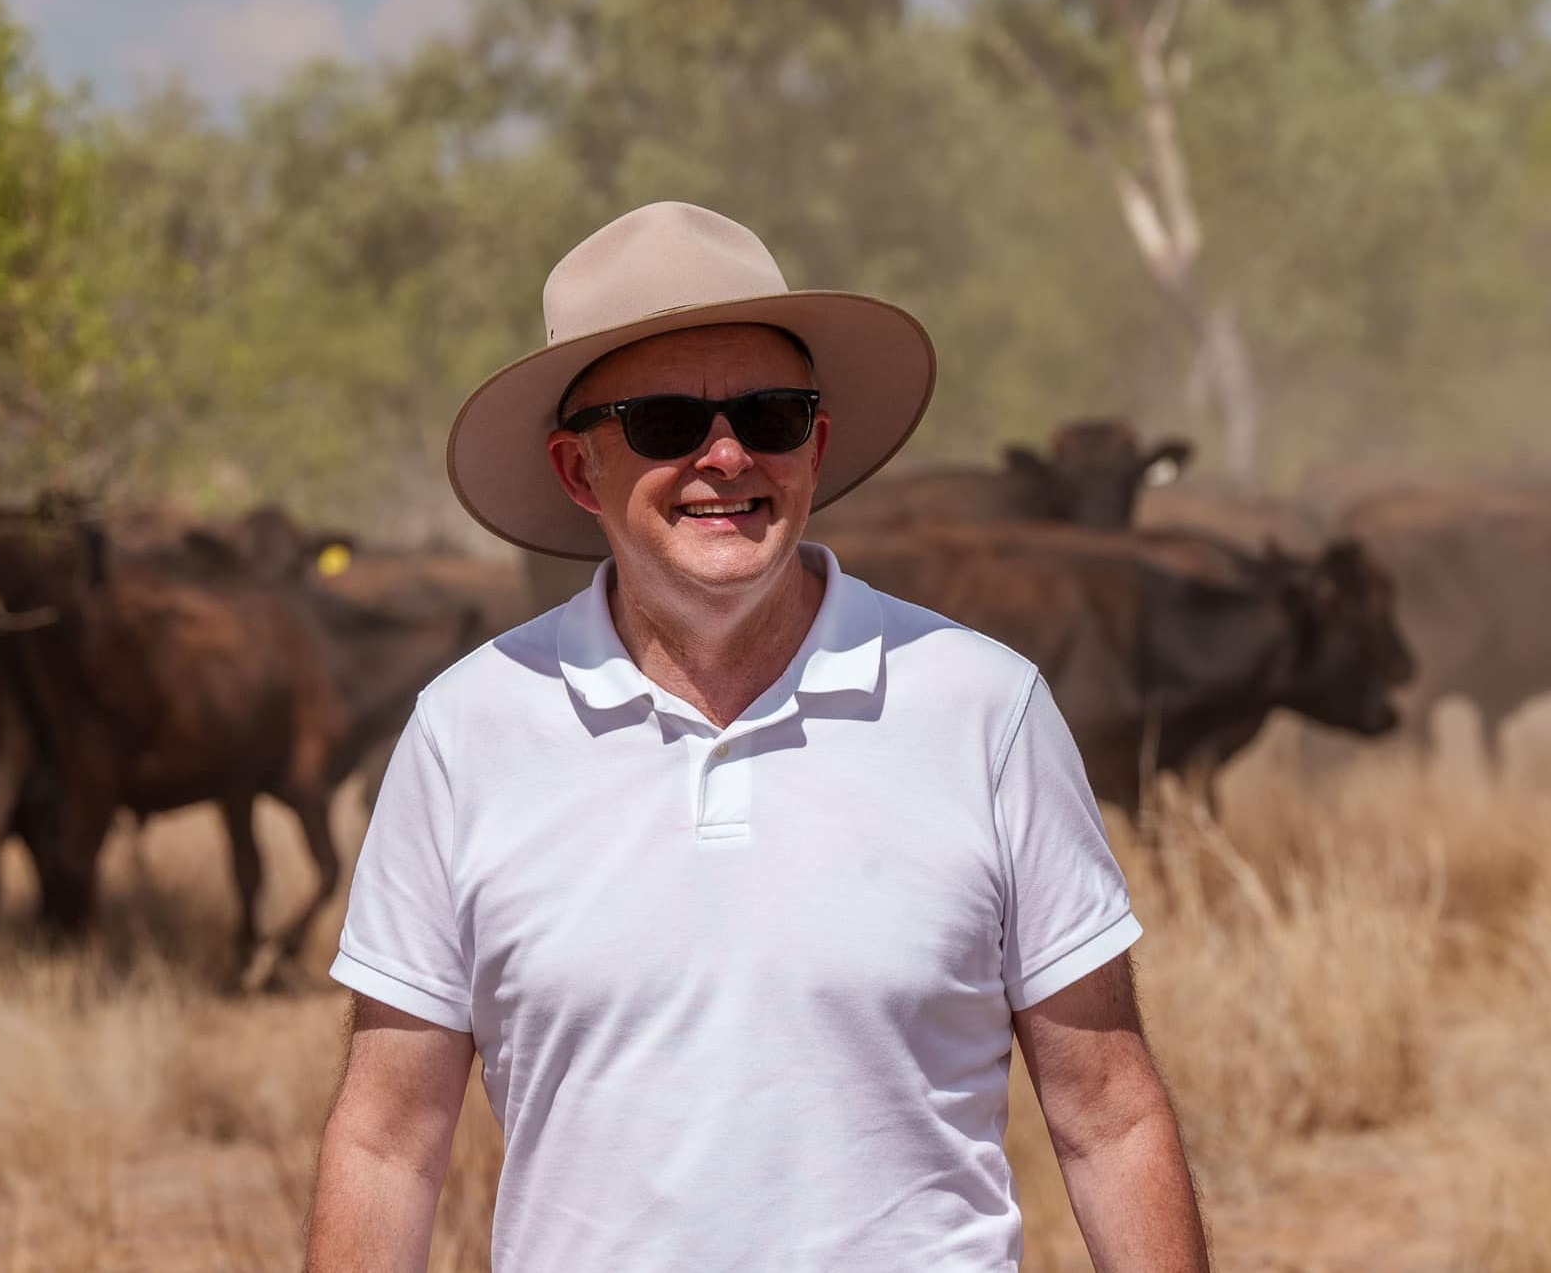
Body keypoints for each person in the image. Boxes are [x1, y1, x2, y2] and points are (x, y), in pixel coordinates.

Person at [305, 202, 1210, 1271]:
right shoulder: (468, 730)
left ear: (814, 446)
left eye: (770, 415)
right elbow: (387, 1142)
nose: (726, 457)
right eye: (661, 425)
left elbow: (1107, 1113)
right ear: (574, 470)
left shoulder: (982, 706)